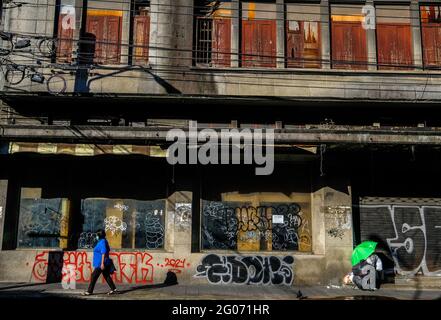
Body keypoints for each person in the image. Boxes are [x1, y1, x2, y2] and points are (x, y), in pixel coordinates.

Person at [82, 229, 117, 295]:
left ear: (99, 235)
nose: (96, 236)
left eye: (97, 235)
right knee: (106, 275)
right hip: (103, 262)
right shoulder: (102, 241)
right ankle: (113, 288)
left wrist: (102, 263)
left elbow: (103, 252)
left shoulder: (102, 242)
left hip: (101, 263)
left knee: (93, 276)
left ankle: (89, 291)